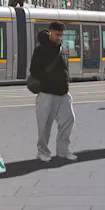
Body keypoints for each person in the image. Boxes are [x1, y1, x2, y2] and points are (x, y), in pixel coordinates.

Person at [29, 22, 76, 162]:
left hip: (63, 92)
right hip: (46, 92)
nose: (59, 38)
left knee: (69, 118)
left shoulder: (61, 47)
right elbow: (34, 70)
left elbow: (63, 65)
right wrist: (49, 80)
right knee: (44, 124)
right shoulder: (40, 50)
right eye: (57, 35)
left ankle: (63, 150)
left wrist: (66, 77)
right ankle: (42, 152)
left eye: (61, 35)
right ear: (50, 32)